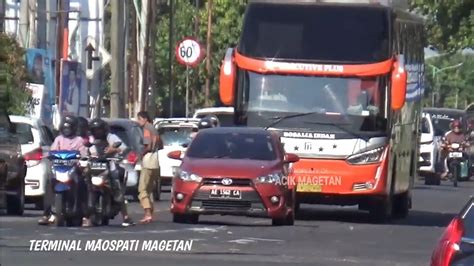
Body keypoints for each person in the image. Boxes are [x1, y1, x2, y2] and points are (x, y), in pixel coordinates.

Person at [82, 118, 134, 227]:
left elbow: (123, 148)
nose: (97, 132)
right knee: (85, 183)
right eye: (95, 130)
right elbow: (83, 151)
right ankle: (86, 217)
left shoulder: (111, 137)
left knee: (117, 188)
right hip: (94, 168)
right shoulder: (90, 140)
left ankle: (125, 216)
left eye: (99, 130)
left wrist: (114, 150)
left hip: (110, 166)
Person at [38, 115, 87, 225]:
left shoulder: (79, 140)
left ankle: (85, 214)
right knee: (50, 183)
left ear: (74, 128)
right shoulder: (59, 139)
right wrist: (48, 155)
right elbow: (53, 150)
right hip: (59, 168)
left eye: (69, 128)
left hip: (73, 169)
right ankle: (46, 213)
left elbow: (84, 154)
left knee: (82, 183)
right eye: (65, 128)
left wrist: (83, 159)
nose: (67, 130)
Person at [137, 111, 162, 224]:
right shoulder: (154, 129)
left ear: (144, 119)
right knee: (149, 190)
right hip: (156, 161)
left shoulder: (147, 129)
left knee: (142, 189)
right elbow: (160, 145)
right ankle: (150, 214)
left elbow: (147, 146)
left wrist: (140, 154)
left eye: (139, 119)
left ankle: (147, 214)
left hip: (148, 161)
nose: (138, 122)